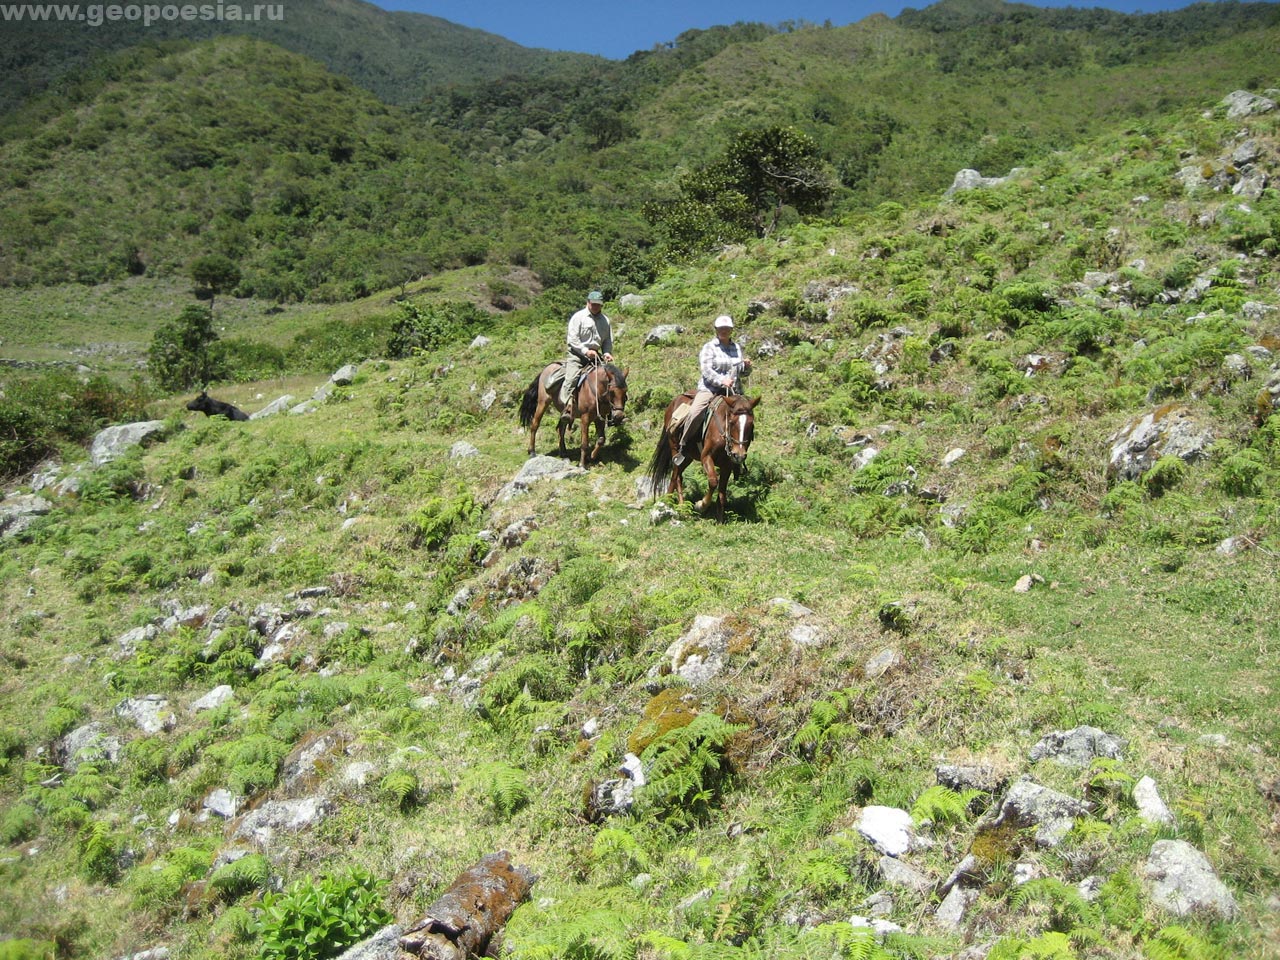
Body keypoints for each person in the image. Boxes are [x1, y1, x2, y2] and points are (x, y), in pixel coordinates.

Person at [676, 314, 752, 464]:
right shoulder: (709, 347)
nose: (724, 331)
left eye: (727, 329)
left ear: (731, 330)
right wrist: (721, 380)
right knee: (695, 411)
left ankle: (740, 450)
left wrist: (746, 367)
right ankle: (684, 445)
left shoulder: (736, 347)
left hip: (733, 391)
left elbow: (741, 371)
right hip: (710, 389)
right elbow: (706, 370)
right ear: (716, 330)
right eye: (721, 328)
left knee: (746, 417)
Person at [559, 290, 614, 417]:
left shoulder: (605, 320)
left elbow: (607, 340)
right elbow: (573, 339)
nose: (595, 306)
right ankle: (567, 408)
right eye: (593, 304)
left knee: (612, 379)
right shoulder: (578, 317)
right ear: (588, 302)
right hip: (577, 355)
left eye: (598, 304)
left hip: (596, 356)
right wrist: (585, 350)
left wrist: (606, 352)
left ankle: (611, 411)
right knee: (571, 378)